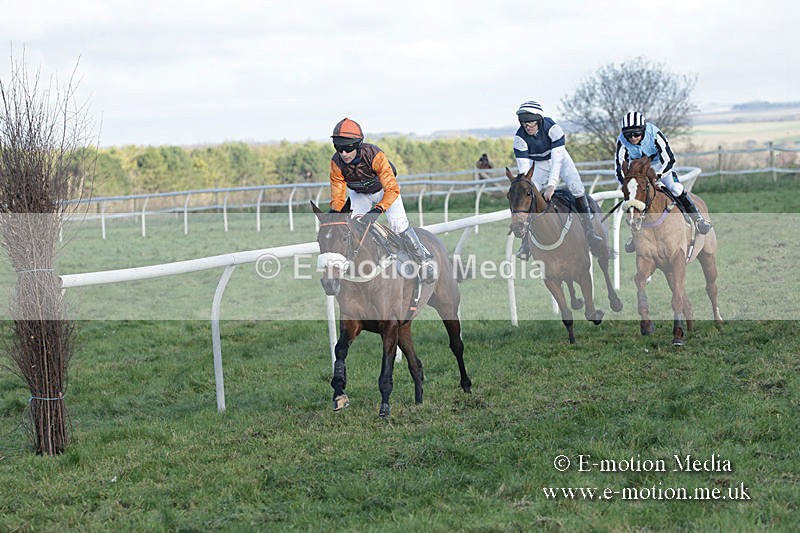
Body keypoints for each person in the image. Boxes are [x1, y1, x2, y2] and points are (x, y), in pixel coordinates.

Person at [328, 117, 434, 276]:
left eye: (348, 148)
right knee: (351, 226)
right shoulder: (336, 161)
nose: (343, 153)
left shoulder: (375, 155)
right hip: (359, 194)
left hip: (385, 191)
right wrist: (336, 212)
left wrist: (378, 210)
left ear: (357, 144)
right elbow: (338, 191)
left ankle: (423, 260)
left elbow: (391, 188)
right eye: (338, 148)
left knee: (399, 226)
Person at [512, 100, 603, 260]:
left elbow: (557, 160)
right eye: (525, 123)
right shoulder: (519, 138)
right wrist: (528, 187)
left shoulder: (553, 128)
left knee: (577, 188)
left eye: (531, 123)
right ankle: (526, 244)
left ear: (539, 121)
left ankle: (590, 231)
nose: (528, 127)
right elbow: (524, 170)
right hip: (538, 165)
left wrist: (551, 185)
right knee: (528, 194)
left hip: (560, 160)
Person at [615, 111, 712, 252]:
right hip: (638, 169)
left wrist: (659, 175)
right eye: (628, 135)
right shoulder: (621, 141)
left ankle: (697, 219)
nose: (632, 138)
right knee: (634, 200)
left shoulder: (655, 134)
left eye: (636, 134)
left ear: (643, 130)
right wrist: (627, 184)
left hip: (660, 166)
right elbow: (619, 167)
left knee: (676, 188)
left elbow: (669, 159)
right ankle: (635, 235)